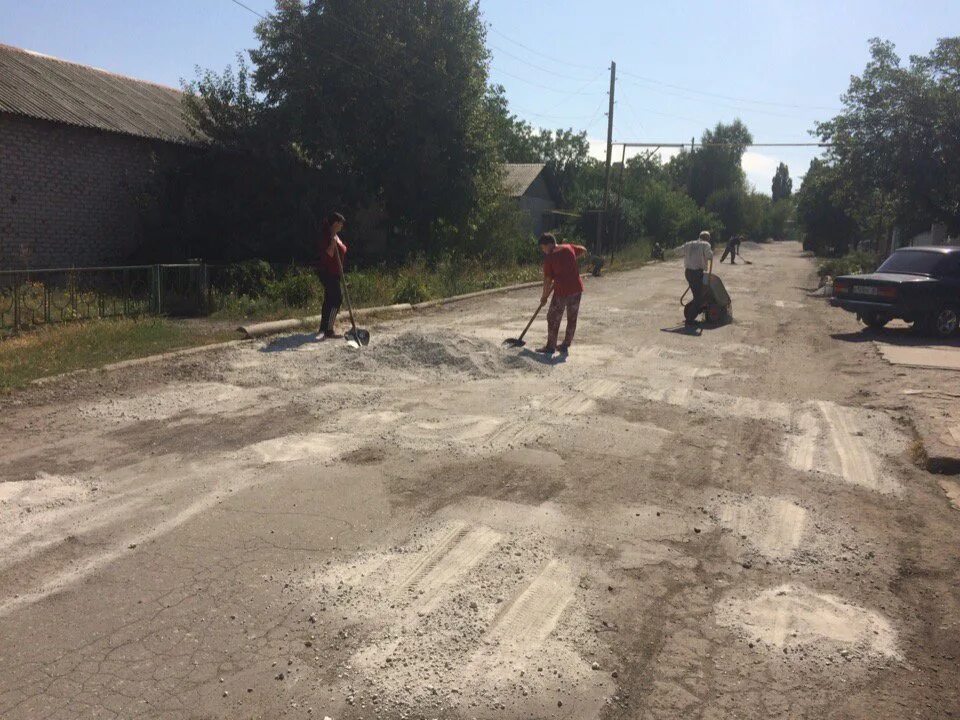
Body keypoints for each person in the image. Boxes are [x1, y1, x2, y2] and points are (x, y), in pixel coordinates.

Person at [537, 233, 588, 355]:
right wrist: (571, 261)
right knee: (572, 318)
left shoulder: (550, 258)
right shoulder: (568, 247)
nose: (543, 251)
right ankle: (565, 344)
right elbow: (583, 250)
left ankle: (550, 347)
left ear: (549, 244)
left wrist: (544, 297)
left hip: (562, 291)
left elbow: (548, 280)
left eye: (543, 247)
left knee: (553, 317)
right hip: (576, 289)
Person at [317, 211, 347, 339]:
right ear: (335, 223)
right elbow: (327, 255)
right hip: (328, 273)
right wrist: (332, 245)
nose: (342, 226)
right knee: (337, 299)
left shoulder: (335, 235)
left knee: (329, 300)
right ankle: (329, 329)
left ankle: (324, 328)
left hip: (335, 272)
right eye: (341, 224)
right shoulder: (327, 236)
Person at [681, 230, 714, 324]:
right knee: (699, 298)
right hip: (697, 273)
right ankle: (690, 319)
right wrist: (710, 255)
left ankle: (693, 309)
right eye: (709, 238)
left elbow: (677, 251)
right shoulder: (705, 245)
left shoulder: (689, 244)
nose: (709, 240)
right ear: (707, 238)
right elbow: (709, 255)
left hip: (688, 273)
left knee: (697, 294)